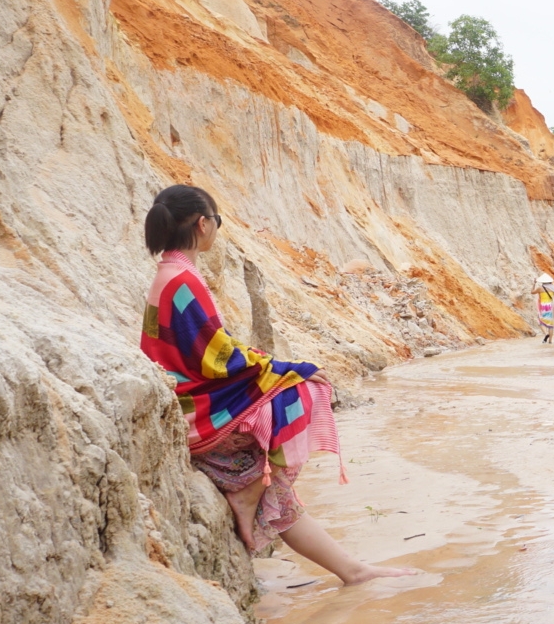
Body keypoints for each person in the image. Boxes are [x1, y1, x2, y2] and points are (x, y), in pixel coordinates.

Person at [138, 184, 416, 584]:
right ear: (203, 224)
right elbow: (217, 356)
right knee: (306, 391)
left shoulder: (170, 273)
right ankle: (248, 494)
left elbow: (205, 353)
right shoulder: (183, 279)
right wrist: (287, 367)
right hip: (197, 410)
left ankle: (353, 572)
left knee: (277, 489)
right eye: (217, 221)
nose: (217, 228)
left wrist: (279, 367)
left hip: (189, 401)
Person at [534, 274, 554, 343]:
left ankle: (546, 334)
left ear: (542, 281)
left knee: (540, 321)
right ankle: (550, 341)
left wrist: (534, 283)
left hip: (543, 307)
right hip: (551, 307)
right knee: (551, 325)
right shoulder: (553, 288)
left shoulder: (540, 288)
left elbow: (532, 292)